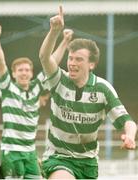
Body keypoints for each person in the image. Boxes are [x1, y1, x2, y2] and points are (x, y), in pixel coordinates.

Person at [39, 6, 137, 179]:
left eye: (79, 59)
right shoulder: (58, 80)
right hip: (59, 158)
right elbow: (44, 57)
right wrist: (54, 31)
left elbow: (128, 121)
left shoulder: (102, 89)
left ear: (91, 64)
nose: (72, 63)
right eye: (70, 58)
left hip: (88, 163)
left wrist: (130, 136)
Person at [0, 25, 50, 179]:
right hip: (11, 152)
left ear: (31, 73)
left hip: (30, 152)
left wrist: (63, 39)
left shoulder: (36, 88)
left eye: (27, 70)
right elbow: (0, 62)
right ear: (14, 73)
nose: (24, 72)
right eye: (20, 70)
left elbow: (52, 61)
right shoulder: (7, 88)